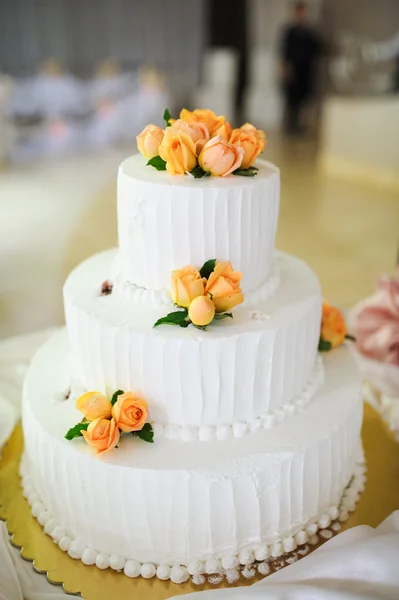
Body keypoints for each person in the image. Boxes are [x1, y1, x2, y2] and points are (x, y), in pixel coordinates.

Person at [279, 2, 322, 135]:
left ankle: (300, 126)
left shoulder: (310, 32)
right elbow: (284, 51)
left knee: (305, 99)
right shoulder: (290, 31)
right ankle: (290, 127)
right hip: (294, 70)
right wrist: (285, 68)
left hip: (307, 70)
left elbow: (318, 49)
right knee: (292, 100)